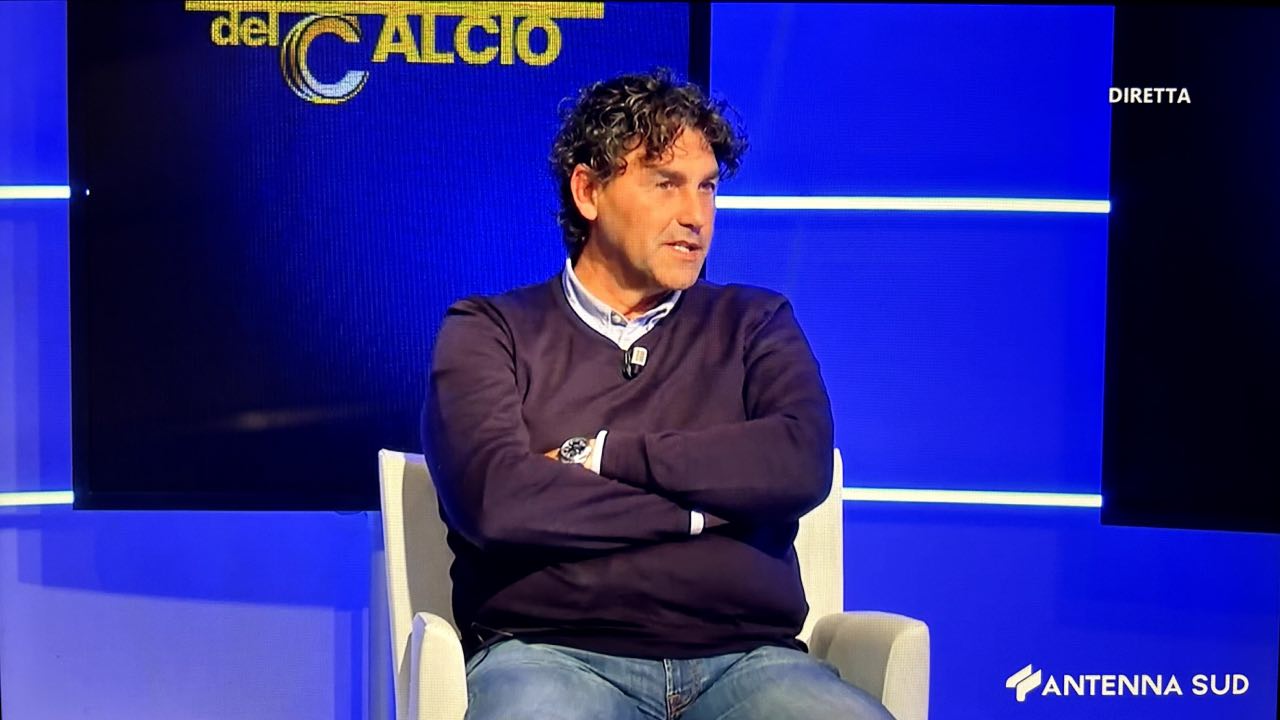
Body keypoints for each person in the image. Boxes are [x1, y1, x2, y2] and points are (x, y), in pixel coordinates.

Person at [422, 68, 895, 720]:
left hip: (750, 658)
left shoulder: (755, 322)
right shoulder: (490, 330)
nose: (696, 215)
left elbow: (798, 463)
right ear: (588, 192)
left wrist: (603, 456)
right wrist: (709, 510)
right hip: (550, 654)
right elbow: (497, 502)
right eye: (666, 184)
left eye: (707, 187)